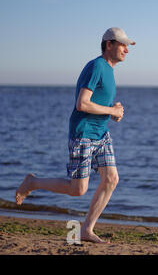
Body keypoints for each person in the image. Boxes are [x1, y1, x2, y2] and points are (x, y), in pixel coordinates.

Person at [15, 27, 135, 244]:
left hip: (101, 134)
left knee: (111, 179)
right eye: (123, 45)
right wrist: (112, 111)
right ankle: (33, 182)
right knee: (77, 189)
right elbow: (82, 104)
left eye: (128, 46)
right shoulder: (97, 66)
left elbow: (97, 103)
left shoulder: (109, 70)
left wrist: (113, 110)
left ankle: (86, 229)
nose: (127, 49)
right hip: (84, 134)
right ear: (109, 44)